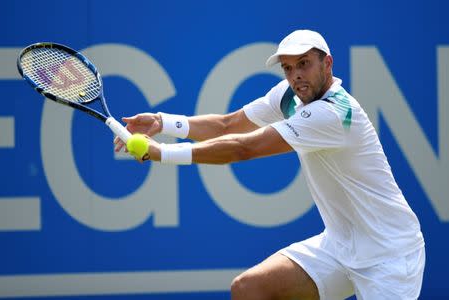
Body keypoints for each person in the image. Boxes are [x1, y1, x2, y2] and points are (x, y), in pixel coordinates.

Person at [114, 30, 425, 299]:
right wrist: (161, 121)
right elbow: (227, 125)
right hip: (340, 246)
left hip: (389, 255)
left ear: (327, 64)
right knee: (249, 289)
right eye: (288, 69)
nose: (296, 76)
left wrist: (163, 154)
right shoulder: (290, 95)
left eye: (304, 64)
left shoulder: (334, 114)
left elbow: (243, 148)